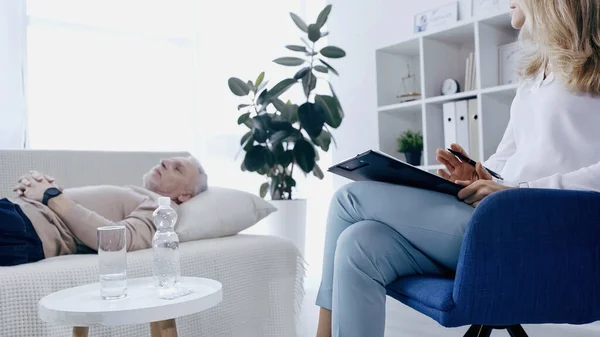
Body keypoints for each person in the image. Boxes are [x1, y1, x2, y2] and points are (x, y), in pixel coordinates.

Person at [315, 0, 600, 336]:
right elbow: (507, 159)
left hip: (535, 229)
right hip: (496, 216)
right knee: (359, 243)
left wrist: (518, 193)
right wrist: (480, 176)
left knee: (350, 199)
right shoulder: (534, 77)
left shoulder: (593, 68)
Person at [0, 156, 208, 267]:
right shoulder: (138, 195)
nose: (165, 162)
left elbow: (119, 239)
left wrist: (50, 196)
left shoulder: (163, 207)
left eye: (177, 168)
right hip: (19, 214)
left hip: (26, 227)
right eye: (169, 160)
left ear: (186, 195)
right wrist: (38, 188)